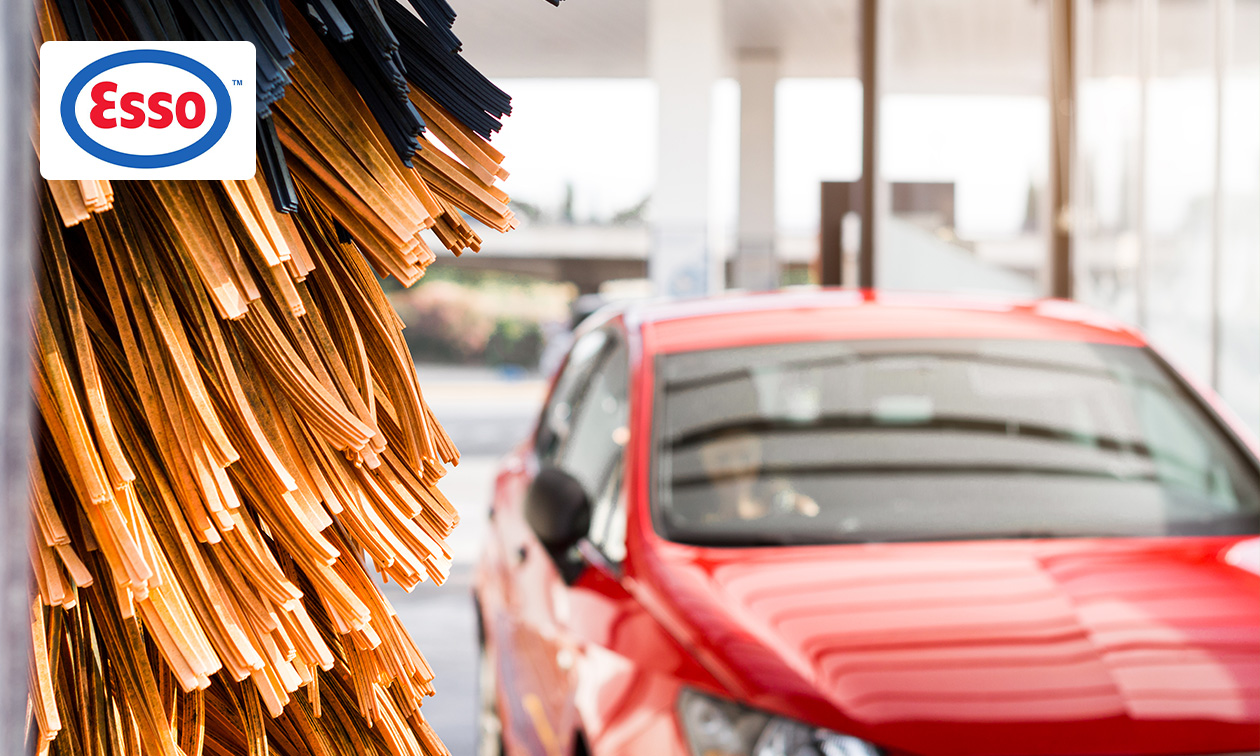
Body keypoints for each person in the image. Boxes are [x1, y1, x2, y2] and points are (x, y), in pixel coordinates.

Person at [696, 430, 819, 522]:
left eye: (745, 456)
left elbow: (813, 518)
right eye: (722, 459)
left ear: (759, 460)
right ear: (704, 464)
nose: (735, 469)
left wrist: (792, 502)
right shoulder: (686, 529)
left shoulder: (786, 507)